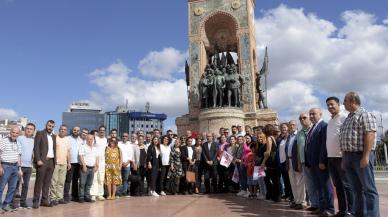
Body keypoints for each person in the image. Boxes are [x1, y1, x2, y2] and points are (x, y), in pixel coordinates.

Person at [340, 92, 380, 217]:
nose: (343, 103)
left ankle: (372, 215)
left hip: (360, 156)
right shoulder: (349, 118)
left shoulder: (365, 115)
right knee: (356, 189)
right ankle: (359, 214)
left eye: (345, 101)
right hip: (348, 157)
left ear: (352, 101)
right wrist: (344, 158)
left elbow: (370, 135)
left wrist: (366, 156)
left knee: (368, 189)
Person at [325, 96, 354, 217]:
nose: (330, 107)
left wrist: (346, 155)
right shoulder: (331, 120)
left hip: (341, 156)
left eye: (332, 104)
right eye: (328, 105)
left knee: (347, 185)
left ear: (338, 104)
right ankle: (342, 211)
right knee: (338, 186)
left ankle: (351, 211)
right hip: (331, 157)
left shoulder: (344, 116)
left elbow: (349, 136)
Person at [305, 108, 334, 216]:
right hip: (313, 163)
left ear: (320, 114)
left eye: (314, 114)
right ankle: (322, 207)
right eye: (310, 114)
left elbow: (323, 145)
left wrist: (322, 161)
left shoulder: (323, 126)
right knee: (318, 186)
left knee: (326, 186)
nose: (311, 116)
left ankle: (330, 208)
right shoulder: (312, 128)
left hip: (320, 163)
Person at [33, 120, 57, 208]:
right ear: (46, 125)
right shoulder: (40, 133)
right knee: (39, 182)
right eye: (49, 126)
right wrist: (38, 159)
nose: (50, 127)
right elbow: (36, 148)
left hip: (52, 161)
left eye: (52, 126)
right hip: (42, 161)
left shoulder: (54, 136)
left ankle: (44, 200)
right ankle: (35, 201)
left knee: (47, 182)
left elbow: (54, 149)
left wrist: (55, 161)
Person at [298, 112, 318, 211]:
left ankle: (321, 204)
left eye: (304, 118)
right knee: (309, 184)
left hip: (314, 161)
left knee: (317, 183)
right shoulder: (300, 133)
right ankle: (314, 204)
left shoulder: (314, 129)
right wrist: (299, 162)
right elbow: (298, 149)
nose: (302, 120)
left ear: (309, 118)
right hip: (303, 161)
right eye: (300, 118)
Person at [13, 123, 35, 209]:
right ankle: (13, 203)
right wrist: (18, 166)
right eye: (27, 128)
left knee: (25, 185)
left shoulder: (34, 140)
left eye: (31, 129)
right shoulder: (19, 138)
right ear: (25, 129)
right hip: (19, 166)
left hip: (29, 166)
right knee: (16, 185)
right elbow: (16, 151)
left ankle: (23, 202)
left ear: (33, 131)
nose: (29, 130)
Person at [0, 126, 21, 212]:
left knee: (12, 188)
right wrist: (0, 167)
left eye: (16, 133)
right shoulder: (4, 141)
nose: (15, 134)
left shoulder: (18, 143)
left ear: (18, 134)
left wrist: (19, 169)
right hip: (5, 166)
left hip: (15, 167)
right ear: (10, 132)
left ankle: (6, 204)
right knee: (1, 187)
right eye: (13, 132)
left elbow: (19, 156)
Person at [49, 125, 71, 205]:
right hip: (56, 163)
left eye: (64, 129)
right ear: (59, 130)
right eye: (61, 129)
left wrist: (69, 162)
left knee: (61, 182)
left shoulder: (67, 140)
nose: (62, 130)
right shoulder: (55, 138)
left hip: (64, 163)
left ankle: (59, 197)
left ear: (66, 131)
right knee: (54, 181)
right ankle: (53, 198)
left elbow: (68, 152)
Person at [287, 120, 304, 210]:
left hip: (296, 160)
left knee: (300, 182)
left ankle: (301, 202)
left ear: (296, 125)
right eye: (290, 125)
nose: (292, 126)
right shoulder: (289, 136)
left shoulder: (299, 134)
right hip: (289, 161)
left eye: (293, 125)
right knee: (293, 183)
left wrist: (299, 162)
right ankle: (296, 200)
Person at [262, 124, 281, 202]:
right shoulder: (273, 137)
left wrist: (263, 162)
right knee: (275, 179)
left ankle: (274, 197)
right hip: (274, 161)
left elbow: (268, 152)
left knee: (270, 179)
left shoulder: (269, 138)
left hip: (270, 161)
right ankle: (276, 197)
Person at [64, 126, 83, 203]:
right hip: (70, 163)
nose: (76, 131)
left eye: (78, 130)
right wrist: (67, 162)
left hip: (78, 163)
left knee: (75, 180)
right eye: (74, 130)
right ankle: (66, 196)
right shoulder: (68, 138)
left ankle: (74, 196)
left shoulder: (81, 140)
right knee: (68, 180)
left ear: (79, 132)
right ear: (72, 130)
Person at [78, 134, 98, 203]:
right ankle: (81, 197)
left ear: (93, 139)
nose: (90, 140)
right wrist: (84, 165)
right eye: (88, 139)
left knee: (89, 183)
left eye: (91, 139)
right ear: (86, 139)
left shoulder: (95, 148)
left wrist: (96, 166)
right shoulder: (83, 147)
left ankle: (87, 196)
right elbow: (81, 156)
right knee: (82, 183)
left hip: (92, 168)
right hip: (85, 167)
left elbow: (97, 157)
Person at [90, 126, 108, 201]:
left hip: (102, 161)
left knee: (101, 178)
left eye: (103, 130)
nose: (102, 132)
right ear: (98, 131)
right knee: (94, 178)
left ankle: (100, 194)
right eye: (101, 130)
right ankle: (93, 194)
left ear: (105, 131)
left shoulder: (106, 140)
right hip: (94, 161)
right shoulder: (95, 138)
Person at [277, 123, 293, 201]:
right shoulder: (280, 138)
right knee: (285, 179)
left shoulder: (290, 137)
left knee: (290, 179)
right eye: (282, 127)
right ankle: (287, 194)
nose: (283, 129)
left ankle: (291, 195)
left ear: (288, 128)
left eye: (285, 127)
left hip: (288, 161)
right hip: (281, 161)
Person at [117, 132, 133, 197]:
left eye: (126, 136)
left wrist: (127, 162)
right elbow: (117, 154)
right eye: (123, 136)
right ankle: (118, 192)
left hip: (127, 165)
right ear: (121, 137)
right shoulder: (119, 144)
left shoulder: (130, 145)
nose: (124, 137)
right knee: (118, 178)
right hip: (119, 164)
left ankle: (124, 191)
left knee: (125, 179)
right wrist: (120, 162)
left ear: (128, 137)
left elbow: (131, 155)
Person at [256, 133, 267, 200]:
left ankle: (265, 193)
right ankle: (262, 193)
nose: (259, 139)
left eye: (261, 137)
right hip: (258, 165)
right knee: (260, 180)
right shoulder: (258, 145)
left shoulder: (265, 145)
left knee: (263, 180)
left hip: (262, 164)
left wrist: (263, 163)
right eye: (258, 137)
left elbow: (265, 156)